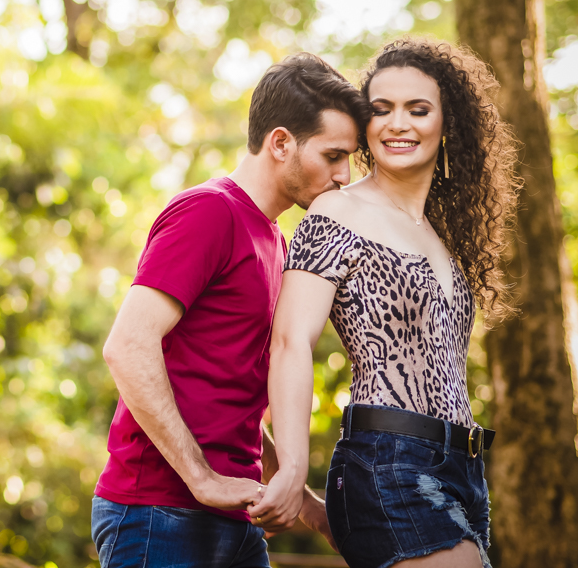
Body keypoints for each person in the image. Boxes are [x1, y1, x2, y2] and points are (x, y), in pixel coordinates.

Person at [92, 53, 369, 568]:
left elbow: (230, 404)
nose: (343, 175)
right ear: (281, 142)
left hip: (233, 517)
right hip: (158, 515)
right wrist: (201, 479)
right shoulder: (208, 211)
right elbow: (127, 346)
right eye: (332, 155)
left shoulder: (275, 240)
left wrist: (308, 507)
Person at [255, 39, 517, 568]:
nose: (399, 123)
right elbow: (290, 340)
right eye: (382, 110)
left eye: (418, 110)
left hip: (465, 472)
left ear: (448, 123)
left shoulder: (443, 234)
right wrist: (292, 472)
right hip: (389, 463)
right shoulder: (338, 209)